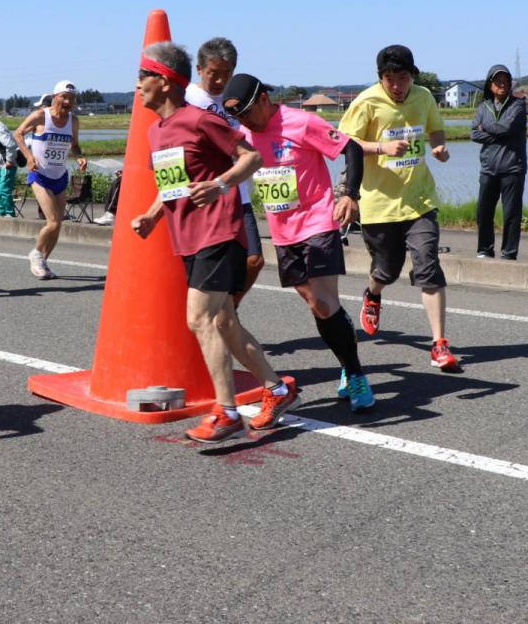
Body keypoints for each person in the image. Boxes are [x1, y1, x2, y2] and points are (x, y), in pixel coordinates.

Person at [130, 42, 299, 443]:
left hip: (219, 232)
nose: (136, 86)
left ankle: (227, 413)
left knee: (199, 319)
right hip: (186, 237)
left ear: (166, 82)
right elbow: (171, 186)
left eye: (143, 77)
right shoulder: (156, 132)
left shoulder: (200, 120)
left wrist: (221, 183)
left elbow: (250, 158)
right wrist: (152, 217)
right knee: (224, 322)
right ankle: (277, 389)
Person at [222, 73, 377, 411]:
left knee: (323, 303)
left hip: (319, 222)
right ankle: (346, 358)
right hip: (283, 232)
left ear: (264, 99)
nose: (243, 120)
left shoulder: (301, 122)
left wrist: (350, 194)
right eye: (237, 116)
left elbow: (349, 147)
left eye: (247, 112)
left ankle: (355, 375)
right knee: (320, 305)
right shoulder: (244, 135)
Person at [337, 44, 460, 372]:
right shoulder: (366, 102)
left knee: (428, 265)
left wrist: (440, 147)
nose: (396, 85)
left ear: (412, 75)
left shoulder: (423, 96)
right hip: (378, 204)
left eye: (402, 77)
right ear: (381, 78)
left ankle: (439, 344)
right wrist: (381, 147)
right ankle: (373, 294)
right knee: (387, 271)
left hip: (419, 200)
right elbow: (343, 143)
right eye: (389, 79)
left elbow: (435, 128)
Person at [186, 37, 265, 304]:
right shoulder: (187, 98)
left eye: (227, 74)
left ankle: (229, 312)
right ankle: (214, 322)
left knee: (253, 260)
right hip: (201, 195)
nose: (220, 81)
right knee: (202, 270)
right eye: (213, 74)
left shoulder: (236, 99)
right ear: (199, 69)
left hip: (237, 192)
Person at [14, 81, 88, 279]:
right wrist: (29, 157)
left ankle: (43, 261)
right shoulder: (41, 116)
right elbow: (18, 133)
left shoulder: (73, 121)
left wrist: (80, 156)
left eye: (71, 99)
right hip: (40, 174)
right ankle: (36, 253)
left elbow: (75, 145)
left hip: (60, 175)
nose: (67, 102)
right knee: (53, 221)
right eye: (64, 97)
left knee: (58, 225)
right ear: (55, 97)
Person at [470, 64, 527, 259]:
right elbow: (474, 134)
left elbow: (507, 127)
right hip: (488, 168)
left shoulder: (518, 105)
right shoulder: (482, 107)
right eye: (498, 81)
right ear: (490, 84)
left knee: (511, 214)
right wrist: (498, 133)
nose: (503, 84)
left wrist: (486, 127)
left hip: (512, 168)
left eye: (506, 80)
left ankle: (509, 253)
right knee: (483, 212)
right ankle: (485, 250)